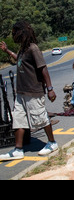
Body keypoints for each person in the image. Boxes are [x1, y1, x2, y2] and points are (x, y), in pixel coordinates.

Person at [0, 21, 58, 160]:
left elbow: (43, 68)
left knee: (40, 118)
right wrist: (7, 51)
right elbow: (19, 60)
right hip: (21, 92)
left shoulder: (33, 48)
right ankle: (18, 149)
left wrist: (50, 89)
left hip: (33, 91)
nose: (13, 35)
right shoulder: (23, 49)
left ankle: (52, 142)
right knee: (19, 120)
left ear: (22, 32)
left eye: (14, 32)